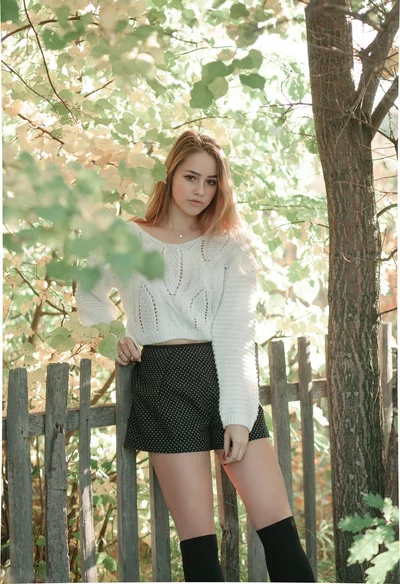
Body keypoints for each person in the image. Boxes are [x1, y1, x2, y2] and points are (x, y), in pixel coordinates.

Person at [75, 130, 316, 583]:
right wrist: (111, 336)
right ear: (169, 174)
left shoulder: (229, 243)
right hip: (163, 381)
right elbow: (87, 292)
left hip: (223, 375)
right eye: (191, 177)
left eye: (210, 183)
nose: (200, 192)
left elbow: (236, 332)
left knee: (281, 536)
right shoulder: (127, 238)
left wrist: (239, 416)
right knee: (200, 554)